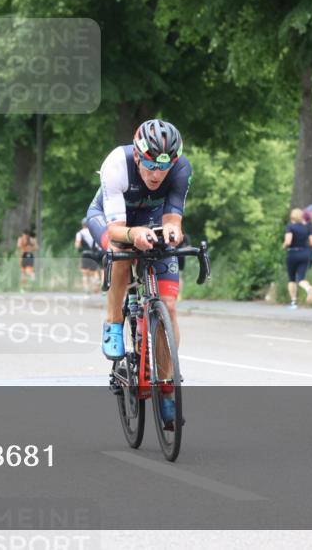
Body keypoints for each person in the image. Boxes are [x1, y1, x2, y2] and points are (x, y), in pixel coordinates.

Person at [85, 118, 191, 429]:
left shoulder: (181, 169)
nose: (157, 174)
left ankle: (167, 385)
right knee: (121, 251)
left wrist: (172, 233)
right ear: (137, 156)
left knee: (169, 306)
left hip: (151, 218)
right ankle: (114, 322)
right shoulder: (116, 164)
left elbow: (174, 219)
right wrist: (135, 236)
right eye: (149, 165)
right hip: (110, 219)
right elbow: (118, 229)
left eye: (164, 167)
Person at [283, 208, 312, 308]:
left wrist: (283, 246)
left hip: (293, 253)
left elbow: (288, 241)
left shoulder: (290, 227)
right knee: (301, 278)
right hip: (305, 254)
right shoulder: (306, 228)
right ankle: (308, 288)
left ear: (292, 216)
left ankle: (293, 302)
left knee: (291, 279)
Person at [74, 219, 102, 295]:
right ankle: (97, 282)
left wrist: (78, 246)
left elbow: (77, 245)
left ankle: (86, 289)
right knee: (95, 271)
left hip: (86, 253)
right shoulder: (94, 233)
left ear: (82, 225)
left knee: (85, 273)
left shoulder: (80, 233)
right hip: (94, 253)